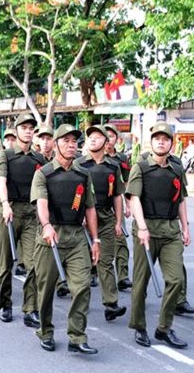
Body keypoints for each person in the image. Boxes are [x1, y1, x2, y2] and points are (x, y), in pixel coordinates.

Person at [31, 124, 101, 354]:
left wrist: (96, 240)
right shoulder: (43, 174)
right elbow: (41, 203)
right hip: (50, 238)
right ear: (56, 143)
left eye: (74, 141)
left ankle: (77, 336)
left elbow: (90, 209)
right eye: (66, 140)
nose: (71, 145)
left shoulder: (83, 174)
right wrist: (47, 225)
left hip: (77, 238)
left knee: (82, 287)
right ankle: (45, 331)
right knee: (46, 289)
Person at [126, 122, 191, 349]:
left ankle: (164, 328)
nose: (161, 142)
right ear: (151, 142)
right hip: (147, 230)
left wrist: (186, 227)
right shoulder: (141, 167)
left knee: (176, 280)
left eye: (165, 139)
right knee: (141, 281)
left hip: (171, 230)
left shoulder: (177, 168)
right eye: (157, 138)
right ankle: (139, 326)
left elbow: (181, 199)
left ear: (172, 144)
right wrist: (142, 227)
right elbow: (133, 198)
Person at [0, 113, 45, 327]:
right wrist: (4, 204)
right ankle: (5, 303)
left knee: (33, 264)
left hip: (31, 213)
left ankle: (30, 308)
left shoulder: (38, 159)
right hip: (9, 211)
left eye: (31, 127)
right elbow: (1, 182)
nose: (28, 130)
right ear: (16, 130)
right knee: (5, 263)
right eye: (24, 127)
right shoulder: (6, 156)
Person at [76, 125, 127, 322]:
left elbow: (117, 195)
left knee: (106, 260)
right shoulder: (79, 164)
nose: (93, 140)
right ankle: (80, 302)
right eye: (90, 137)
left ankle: (111, 304)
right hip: (83, 218)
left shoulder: (112, 166)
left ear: (106, 142)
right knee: (83, 263)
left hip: (105, 217)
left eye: (98, 137)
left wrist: (118, 221)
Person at [104, 124, 132, 292]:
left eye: (112, 136)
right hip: (98, 204)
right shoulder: (91, 159)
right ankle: (94, 271)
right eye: (105, 136)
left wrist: (128, 204)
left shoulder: (122, 159)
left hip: (117, 202)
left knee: (120, 239)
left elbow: (126, 182)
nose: (108, 140)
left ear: (117, 139)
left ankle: (123, 276)